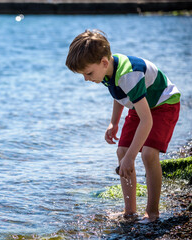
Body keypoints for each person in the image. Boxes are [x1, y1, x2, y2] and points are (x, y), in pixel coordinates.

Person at [65, 30, 181, 223]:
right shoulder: (106, 69)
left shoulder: (129, 75)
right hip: (141, 103)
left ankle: (152, 212)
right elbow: (119, 94)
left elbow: (147, 121)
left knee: (148, 154)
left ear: (103, 62)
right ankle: (130, 212)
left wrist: (131, 157)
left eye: (88, 73)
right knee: (122, 152)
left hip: (164, 103)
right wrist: (114, 122)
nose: (86, 79)